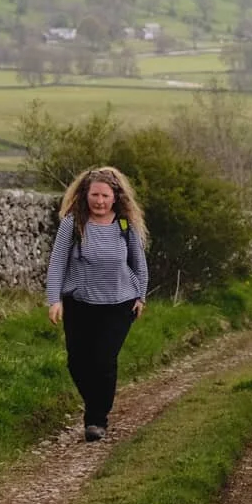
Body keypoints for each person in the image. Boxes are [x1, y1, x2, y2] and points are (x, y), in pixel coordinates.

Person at [44, 165, 149, 442]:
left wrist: (141, 296)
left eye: (105, 196)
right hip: (79, 303)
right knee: (77, 362)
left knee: (103, 360)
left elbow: (139, 263)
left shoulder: (124, 225)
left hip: (119, 303)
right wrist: (54, 300)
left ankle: (96, 419)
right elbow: (57, 263)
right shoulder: (73, 224)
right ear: (85, 195)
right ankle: (95, 402)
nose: (99, 201)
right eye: (95, 195)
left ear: (115, 197)